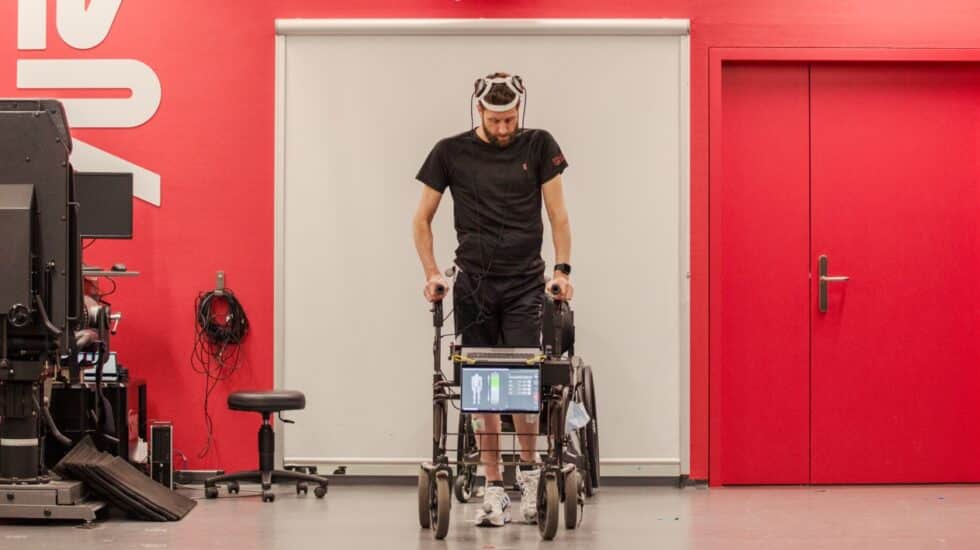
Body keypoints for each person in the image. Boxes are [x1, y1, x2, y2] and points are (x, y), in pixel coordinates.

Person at [412, 72, 574, 527]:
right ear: (478, 111)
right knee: (482, 388)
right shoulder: (450, 151)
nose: (504, 128)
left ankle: (526, 477)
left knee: (522, 383)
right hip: (474, 286)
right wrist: (431, 273)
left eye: (510, 119)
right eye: (495, 120)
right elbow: (421, 219)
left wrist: (561, 270)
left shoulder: (539, 145)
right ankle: (493, 489)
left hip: (525, 282)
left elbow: (558, 215)